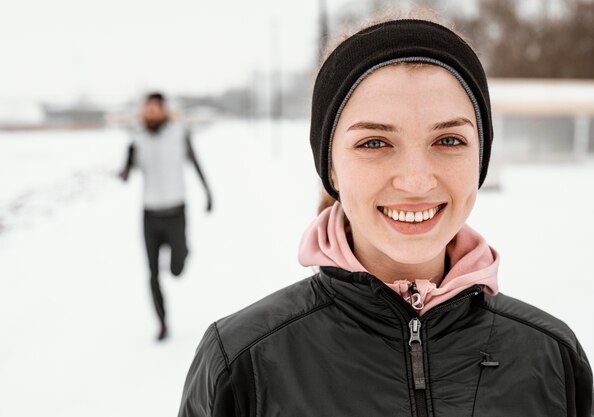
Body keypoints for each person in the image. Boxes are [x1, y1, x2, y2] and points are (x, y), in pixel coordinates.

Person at [177, 12, 593, 417]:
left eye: (448, 139)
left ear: (480, 158)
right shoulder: (243, 362)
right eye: (374, 143)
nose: (416, 181)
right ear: (331, 167)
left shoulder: (551, 357)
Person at [119, 92, 212, 341]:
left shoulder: (179, 133)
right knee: (152, 273)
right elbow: (126, 175)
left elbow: (196, 162)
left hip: (175, 213)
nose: (149, 112)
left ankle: (181, 254)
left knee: (177, 269)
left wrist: (208, 193)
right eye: (146, 109)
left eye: (154, 108)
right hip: (149, 215)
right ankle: (162, 323)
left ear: (162, 110)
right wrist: (127, 161)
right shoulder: (137, 137)